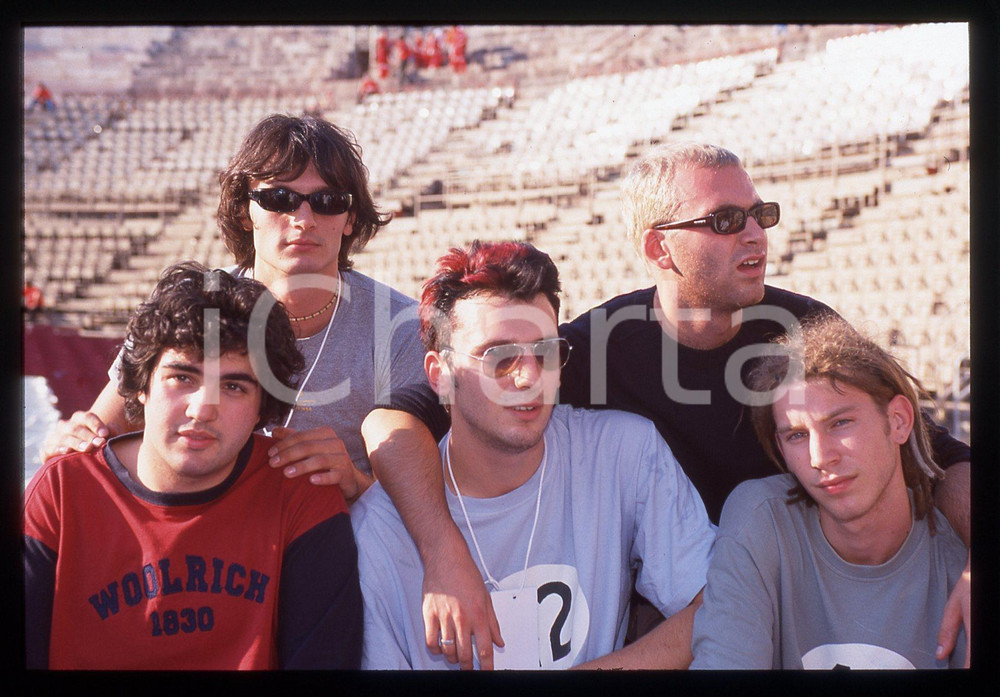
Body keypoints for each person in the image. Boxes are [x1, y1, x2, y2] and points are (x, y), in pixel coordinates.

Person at [350, 141, 971, 667]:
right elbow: (398, 419)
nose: (755, 233)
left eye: (760, 214)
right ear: (659, 248)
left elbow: (932, 456)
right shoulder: (589, 348)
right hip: (690, 610)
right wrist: (442, 547)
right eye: (726, 220)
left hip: (802, 599)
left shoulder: (805, 331)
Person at [351, 240, 715, 669]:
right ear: (441, 375)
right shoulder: (378, 529)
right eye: (499, 357)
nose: (528, 377)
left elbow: (720, 605)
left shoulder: (622, 454)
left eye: (545, 352)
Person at [40, 113, 428, 505]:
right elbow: (99, 432)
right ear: (245, 211)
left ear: (351, 218)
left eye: (328, 202)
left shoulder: (399, 327)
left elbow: (422, 506)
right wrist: (73, 440)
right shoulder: (189, 304)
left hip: (333, 544)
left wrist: (353, 482)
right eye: (279, 198)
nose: (303, 219)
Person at [23, 262, 362, 669]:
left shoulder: (301, 497)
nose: (203, 408)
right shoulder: (61, 493)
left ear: (263, 409)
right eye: (182, 377)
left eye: (234, 387)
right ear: (141, 385)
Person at [690, 314, 967, 669]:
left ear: (898, 420)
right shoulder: (760, 521)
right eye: (797, 436)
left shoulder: (959, 559)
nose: (821, 457)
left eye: (840, 423)